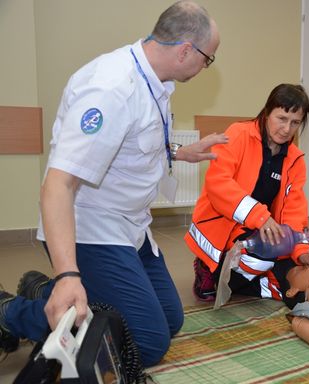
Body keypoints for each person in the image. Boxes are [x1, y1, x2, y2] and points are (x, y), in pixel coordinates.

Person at [0, 0, 226, 367]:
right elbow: (58, 184)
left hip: (131, 227)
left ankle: (41, 288)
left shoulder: (154, 80)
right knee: (147, 344)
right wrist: (68, 275)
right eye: (208, 58)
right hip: (92, 229)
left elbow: (134, 140)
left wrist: (181, 152)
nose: (206, 66)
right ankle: (18, 311)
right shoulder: (111, 88)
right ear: (187, 50)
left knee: (170, 319)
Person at [184, 83, 309, 308]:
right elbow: (218, 184)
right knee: (266, 253)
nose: (287, 129)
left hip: (258, 227)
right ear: (267, 111)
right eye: (281, 118)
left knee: (274, 252)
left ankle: (236, 277)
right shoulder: (238, 134)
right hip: (223, 224)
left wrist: (300, 250)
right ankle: (208, 266)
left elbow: (294, 209)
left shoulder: (295, 159)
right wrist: (260, 217)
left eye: (295, 122)